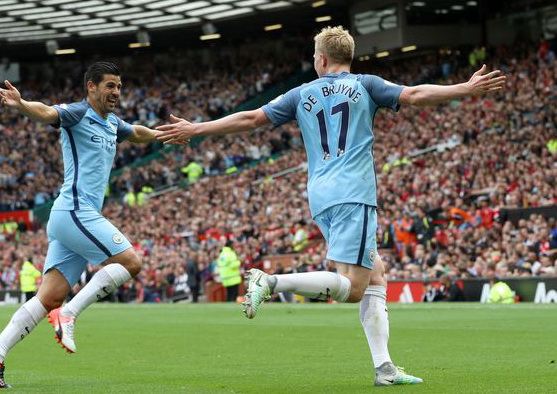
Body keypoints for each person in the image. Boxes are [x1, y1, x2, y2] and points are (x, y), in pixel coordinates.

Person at [156, 26, 505, 386]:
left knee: (376, 274)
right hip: (354, 192)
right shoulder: (366, 85)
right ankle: (272, 281)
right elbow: (415, 94)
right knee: (354, 288)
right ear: (346, 57)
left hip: (320, 195)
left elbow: (250, 119)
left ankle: (384, 368)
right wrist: (465, 88)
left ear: (321, 59)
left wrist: (197, 129)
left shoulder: (300, 93)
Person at [0, 61, 187, 389]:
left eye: (119, 86)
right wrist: (22, 104)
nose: (116, 91)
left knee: (49, 296)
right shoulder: (77, 113)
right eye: (109, 86)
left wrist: (162, 136)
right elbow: (46, 113)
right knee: (131, 262)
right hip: (74, 211)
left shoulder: (113, 123)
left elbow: (138, 134)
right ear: (91, 87)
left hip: (70, 219)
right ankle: (70, 313)